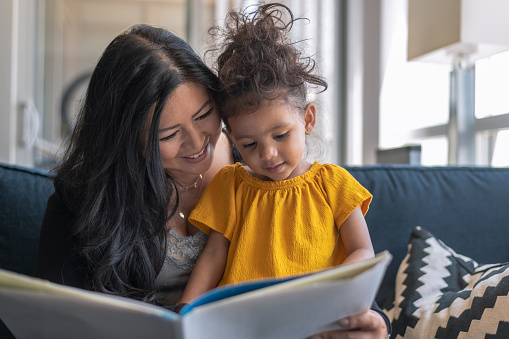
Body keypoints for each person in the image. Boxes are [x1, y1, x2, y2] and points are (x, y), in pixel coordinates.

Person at [34, 22, 390, 338]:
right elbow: (58, 319)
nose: (199, 142)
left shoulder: (255, 161)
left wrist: (368, 322)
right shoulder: (83, 198)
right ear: (126, 140)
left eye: (205, 114)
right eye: (168, 134)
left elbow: (346, 261)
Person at [181, 1, 375, 303]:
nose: (268, 154)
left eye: (281, 135)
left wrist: (326, 293)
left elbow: (363, 251)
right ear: (231, 138)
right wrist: (184, 310)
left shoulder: (334, 184)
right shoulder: (229, 185)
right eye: (249, 145)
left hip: (313, 313)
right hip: (242, 319)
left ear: (308, 120)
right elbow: (214, 255)